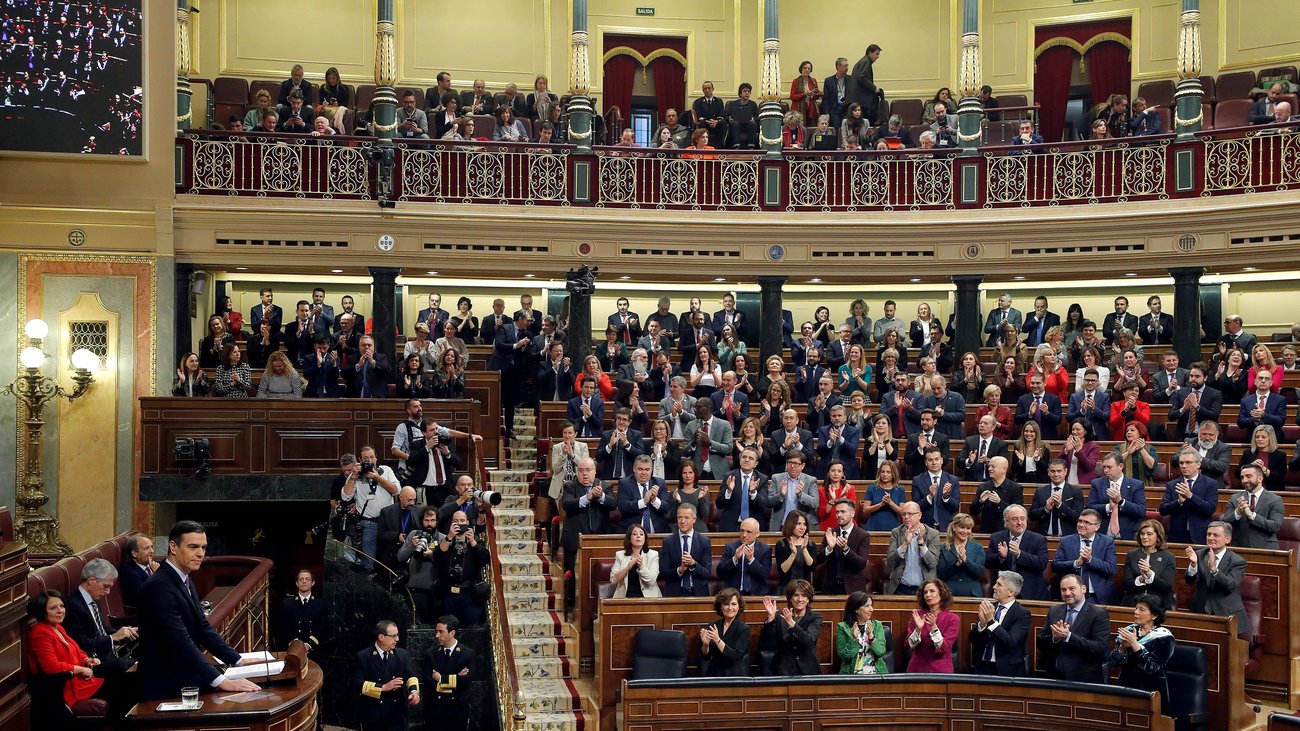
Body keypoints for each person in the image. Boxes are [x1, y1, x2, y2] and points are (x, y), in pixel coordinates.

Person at [138, 521, 258, 700]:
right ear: (173, 546)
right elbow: (179, 642)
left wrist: (237, 659)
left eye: (203, 547)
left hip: (185, 679)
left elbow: (202, 627)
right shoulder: (159, 586)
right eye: (193, 547)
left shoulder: (185, 579)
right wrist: (221, 681)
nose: (200, 553)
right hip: (166, 686)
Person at [26, 590, 126, 721]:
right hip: (68, 687)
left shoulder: (57, 627)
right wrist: (80, 669)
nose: (60, 611)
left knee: (122, 672)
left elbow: (76, 650)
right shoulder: (40, 634)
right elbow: (50, 666)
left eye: (62, 606)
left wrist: (87, 660)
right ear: (41, 611)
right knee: (123, 681)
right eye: (53, 608)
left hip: (81, 679)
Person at [1036, 573, 1110, 683]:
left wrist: (1069, 637)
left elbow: (1099, 648)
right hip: (1054, 677)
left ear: (1083, 589)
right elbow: (1040, 642)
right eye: (1063, 590)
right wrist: (1054, 638)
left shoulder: (1098, 614)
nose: (1067, 593)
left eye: (1072, 589)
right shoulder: (1054, 611)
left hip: (1083, 680)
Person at [341, 445, 400, 573]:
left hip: (388, 523)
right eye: (366, 458)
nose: (369, 460)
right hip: (368, 524)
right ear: (360, 460)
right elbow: (346, 496)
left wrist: (377, 478)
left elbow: (396, 490)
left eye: (372, 457)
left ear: (376, 458)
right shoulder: (355, 476)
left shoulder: (386, 470)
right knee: (368, 561)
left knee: (388, 558)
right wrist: (354, 475)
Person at [352, 620, 419, 731]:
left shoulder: (401, 654)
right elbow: (356, 683)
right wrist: (383, 687)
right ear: (381, 637)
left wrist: (414, 691)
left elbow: (410, 675)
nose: (397, 639)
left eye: (397, 635)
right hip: (373, 716)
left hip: (395, 715)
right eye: (393, 636)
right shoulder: (364, 656)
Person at [1184, 521, 1251, 632]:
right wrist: (1193, 565)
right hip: (1200, 611)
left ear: (1228, 540)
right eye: (1209, 534)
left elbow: (1230, 585)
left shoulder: (1238, 561)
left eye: (1216, 535)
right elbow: (1190, 581)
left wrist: (1215, 571)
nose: (1211, 538)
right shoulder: (1199, 555)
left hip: (1226, 613)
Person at [970, 571, 1032, 677]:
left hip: (1007, 671)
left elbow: (1010, 642)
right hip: (983, 668)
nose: (994, 587)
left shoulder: (1022, 614)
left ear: (1010, 592)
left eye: (999, 585)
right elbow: (972, 639)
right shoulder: (990, 608)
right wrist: (982, 624)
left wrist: (991, 621)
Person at [1051, 509, 1117, 605]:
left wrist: (1090, 560)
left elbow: (1112, 569)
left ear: (1097, 527)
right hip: (1072, 596)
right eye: (1080, 521)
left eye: (1086, 523)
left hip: (1097, 596)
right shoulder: (1065, 541)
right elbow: (1055, 566)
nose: (1081, 525)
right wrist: (1076, 563)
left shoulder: (1107, 542)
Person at [985, 505, 1050, 601]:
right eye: (1015, 519)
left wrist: (1019, 554)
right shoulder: (997, 538)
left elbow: (1042, 563)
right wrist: (1001, 557)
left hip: (1030, 592)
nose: (1020, 523)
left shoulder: (1039, 539)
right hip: (1003, 591)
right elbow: (987, 563)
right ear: (1007, 521)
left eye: (1022, 519)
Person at [1159, 447, 1219, 544]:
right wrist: (1178, 502)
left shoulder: (1210, 484)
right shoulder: (1172, 484)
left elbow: (1210, 509)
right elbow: (1163, 510)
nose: (1184, 466)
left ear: (1198, 464)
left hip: (1199, 536)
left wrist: (1191, 496)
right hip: (1177, 536)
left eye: (1188, 462)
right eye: (1181, 463)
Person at [761, 581, 823, 675]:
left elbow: (808, 639)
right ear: (790, 598)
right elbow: (769, 642)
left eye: (804, 595)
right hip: (782, 669)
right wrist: (771, 617)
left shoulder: (815, 617)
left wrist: (792, 624)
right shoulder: (782, 614)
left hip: (806, 671)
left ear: (808, 598)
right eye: (796, 595)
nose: (800, 599)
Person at [1222, 463, 1283, 549]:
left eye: (1248, 476)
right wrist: (1237, 512)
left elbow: (1275, 526)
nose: (1244, 480)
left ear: (1260, 478)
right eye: (1242, 477)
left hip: (1266, 549)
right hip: (1240, 547)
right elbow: (1225, 524)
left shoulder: (1275, 500)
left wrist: (1252, 515)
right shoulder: (1235, 498)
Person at [904, 579, 959, 673]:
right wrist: (918, 629)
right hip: (917, 670)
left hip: (940, 671)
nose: (928, 595)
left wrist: (934, 627)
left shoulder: (952, 619)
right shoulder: (918, 616)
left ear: (942, 594)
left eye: (932, 591)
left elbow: (944, 648)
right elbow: (908, 646)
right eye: (925, 592)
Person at [817, 499, 870, 595]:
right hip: (831, 588)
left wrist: (846, 549)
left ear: (852, 513)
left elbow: (862, 563)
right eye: (837, 512)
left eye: (843, 511)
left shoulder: (863, 535)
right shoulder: (830, 533)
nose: (839, 515)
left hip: (853, 589)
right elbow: (817, 560)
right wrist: (828, 549)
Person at [885, 501, 939, 595]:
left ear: (919, 515)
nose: (906, 517)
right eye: (904, 514)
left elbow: (932, 563)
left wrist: (921, 543)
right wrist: (905, 544)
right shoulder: (897, 533)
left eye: (910, 514)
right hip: (900, 588)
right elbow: (890, 561)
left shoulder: (932, 534)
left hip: (925, 590)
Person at [1122, 519, 1177, 610]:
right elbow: (1126, 585)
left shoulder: (1168, 556)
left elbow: (1166, 587)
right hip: (1134, 604)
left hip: (1160, 606)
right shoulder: (1132, 555)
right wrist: (1141, 579)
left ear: (1158, 537)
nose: (1144, 537)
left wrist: (1150, 574)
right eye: (1142, 534)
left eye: (1149, 534)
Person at [660, 503, 712, 597]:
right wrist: (680, 570)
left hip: (698, 594)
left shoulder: (704, 541)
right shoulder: (668, 542)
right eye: (680, 517)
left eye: (687, 518)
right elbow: (663, 573)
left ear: (694, 519)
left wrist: (693, 564)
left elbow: (706, 573)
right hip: (674, 593)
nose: (682, 521)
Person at [699, 588, 752, 677]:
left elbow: (735, 656)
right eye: (726, 604)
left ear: (739, 606)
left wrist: (718, 640)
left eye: (734, 604)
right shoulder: (714, 625)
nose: (730, 608)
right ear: (721, 606)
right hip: (713, 674)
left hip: (733, 675)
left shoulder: (744, 629)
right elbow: (706, 657)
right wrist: (706, 645)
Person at [1029, 459, 1085, 537]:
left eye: (1059, 471)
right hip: (1044, 537)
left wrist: (1060, 506)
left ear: (1065, 471)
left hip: (1068, 537)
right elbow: (1032, 516)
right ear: (1048, 472)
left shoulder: (1076, 492)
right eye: (1053, 471)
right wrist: (1046, 509)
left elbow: (1078, 517)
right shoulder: (1040, 491)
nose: (1056, 474)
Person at [767, 450, 819, 532]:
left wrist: (800, 495)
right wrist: (780, 495)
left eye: (796, 463)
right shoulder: (776, 478)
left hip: (804, 526)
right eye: (789, 463)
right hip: (781, 525)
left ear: (803, 466)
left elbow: (815, 503)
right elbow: (769, 502)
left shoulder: (810, 480)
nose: (792, 466)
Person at [717, 518, 772, 595]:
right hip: (733, 594)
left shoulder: (765, 549)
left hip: (756, 594)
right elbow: (720, 572)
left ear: (757, 533)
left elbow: (764, 575)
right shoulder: (731, 547)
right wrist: (734, 559)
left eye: (749, 532)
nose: (744, 535)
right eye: (742, 531)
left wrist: (751, 560)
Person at [835, 592, 886, 675]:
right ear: (856, 609)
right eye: (867, 606)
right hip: (851, 675)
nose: (871, 609)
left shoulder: (877, 625)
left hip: (875, 674)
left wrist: (871, 637)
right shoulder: (843, 627)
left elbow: (880, 652)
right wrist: (853, 639)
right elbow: (844, 656)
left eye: (871, 605)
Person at [970, 457, 1023, 535]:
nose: (989, 469)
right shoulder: (983, 487)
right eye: (989, 466)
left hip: (1006, 534)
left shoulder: (1015, 488)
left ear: (1004, 469)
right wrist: (980, 502)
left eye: (993, 466)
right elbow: (973, 511)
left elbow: (1017, 513)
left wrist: (1000, 502)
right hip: (986, 532)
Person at [913, 447, 961, 532]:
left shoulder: (952, 480)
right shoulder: (917, 480)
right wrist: (930, 497)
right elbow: (916, 508)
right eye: (930, 460)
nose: (934, 463)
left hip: (947, 527)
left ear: (942, 460)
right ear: (926, 462)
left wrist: (946, 496)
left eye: (937, 459)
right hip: (925, 527)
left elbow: (956, 507)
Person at [936, 514, 985, 598]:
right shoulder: (944, 548)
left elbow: (978, 573)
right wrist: (957, 563)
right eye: (962, 527)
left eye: (968, 528)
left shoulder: (977, 547)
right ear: (954, 527)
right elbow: (942, 575)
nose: (965, 531)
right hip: (949, 593)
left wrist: (965, 560)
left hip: (972, 593)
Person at [685, 398, 733, 481]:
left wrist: (710, 443)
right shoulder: (691, 425)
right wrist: (693, 442)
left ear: (708, 408)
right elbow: (685, 452)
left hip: (718, 473)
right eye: (695, 407)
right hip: (697, 473)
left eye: (698, 407)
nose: (695, 410)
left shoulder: (724, 425)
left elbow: (728, 449)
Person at [278, 569, 324, 654]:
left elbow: (322, 626)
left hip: (313, 649)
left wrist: (309, 644)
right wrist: (297, 645)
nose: (304, 582)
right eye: (301, 579)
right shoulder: (288, 603)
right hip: (293, 649)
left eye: (307, 579)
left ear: (313, 583)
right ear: (297, 583)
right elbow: (285, 626)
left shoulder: (320, 603)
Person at [612, 525, 661, 598]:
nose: (638, 536)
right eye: (634, 534)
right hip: (624, 597)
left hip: (648, 598)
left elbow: (652, 581)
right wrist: (627, 568)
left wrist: (641, 567)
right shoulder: (620, 555)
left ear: (645, 539)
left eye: (641, 534)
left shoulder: (652, 555)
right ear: (629, 539)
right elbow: (613, 580)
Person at [774, 510, 817, 592]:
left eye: (804, 524)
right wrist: (793, 554)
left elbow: (812, 568)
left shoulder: (811, 544)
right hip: (785, 589)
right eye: (798, 524)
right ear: (790, 524)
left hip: (805, 589)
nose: (802, 527)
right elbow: (782, 570)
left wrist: (804, 550)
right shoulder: (781, 544)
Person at [961, 414, 1009, 484]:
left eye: (986, 423)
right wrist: (969, 461)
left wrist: (988, 461)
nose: (982, 425)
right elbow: (960, 461)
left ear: (993, 427)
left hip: (992, 482)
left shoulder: (1001, 444)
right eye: (980, 423)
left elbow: (1003, 465)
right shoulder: (969, 441)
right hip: (972, 481)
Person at [599, 409, 644, 483]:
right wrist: (610, 445)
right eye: (619, 419)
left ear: (630, 422)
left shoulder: (636, 435)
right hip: (609, 478)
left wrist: (627, 444)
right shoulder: (606, 435)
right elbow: (599, 458)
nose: (621, 422)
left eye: (624, 420)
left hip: (629, 479)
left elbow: (640, 455)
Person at [1238, 424, 1287, 491]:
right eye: (1257, 437)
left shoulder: (1279, 455)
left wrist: (1263, 469)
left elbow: (1279, 478)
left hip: (1272, 491)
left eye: (1263, 437)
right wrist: (1250, 466)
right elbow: (1237, 473)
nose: (1259, 439)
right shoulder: (1248, 453)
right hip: (1250, 490)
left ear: (1270, 438)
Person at [1067, 368, 1112, 439]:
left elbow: (1106, 417)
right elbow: (1069, 417)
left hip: (1098, 435)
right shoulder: (1074, 396)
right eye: (1087, 380)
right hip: (1079, 436)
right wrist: (1081, 411)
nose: (1090, 383)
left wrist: (1094, 409)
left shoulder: (1104, 397)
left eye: (1093, 380)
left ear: (1097, 382)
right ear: (1083, 381)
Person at [846, 45, 883, 124]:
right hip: (861, 100)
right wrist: (874, 88)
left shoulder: (862, 61)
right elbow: (862, 78)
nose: (878, 56)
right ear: (870, 52)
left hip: (856, 99)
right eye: (877, 54)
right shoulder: (866, 61)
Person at [725, 83, 760, 149]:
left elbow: (758, 117)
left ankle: (751, 146)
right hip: (737, 126)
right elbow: (726, 116)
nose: (747, 93)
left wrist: (754, 119)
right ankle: (736, 145)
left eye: (748, 91)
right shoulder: (733, 104)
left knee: (753, 124)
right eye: (745, 91)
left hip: (748, 126)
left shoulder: (753, 104)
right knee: (735, 123)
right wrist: (729, 119)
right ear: (740, 94)